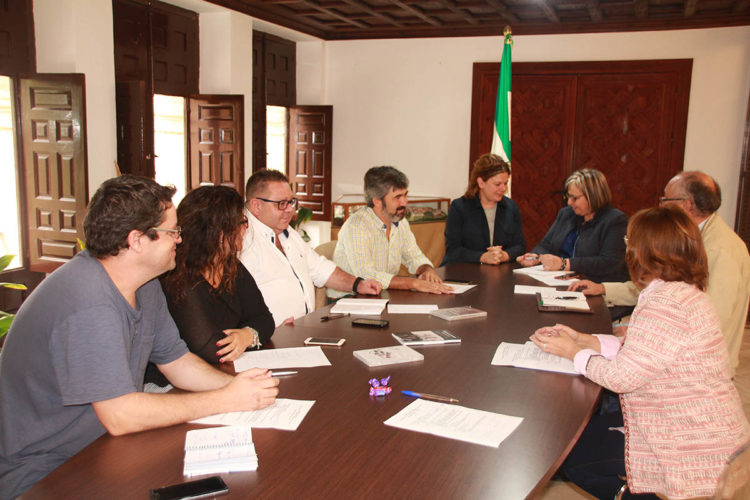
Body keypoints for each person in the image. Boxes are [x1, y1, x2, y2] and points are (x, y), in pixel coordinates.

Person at [0, 176, 279, 499]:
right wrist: (225, 399)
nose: (180, 240)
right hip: (45, 472)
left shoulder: (145, 285)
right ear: (136, 240)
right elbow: (120, 416)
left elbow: (177, 362)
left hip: (103, 447)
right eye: (172, 232)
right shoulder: (86, 301)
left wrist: (238, 387)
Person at [530, 205, 750, 499]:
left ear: (647, 252)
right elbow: (647, 353)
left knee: (566, 452)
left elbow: (622, 377)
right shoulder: (683, 291)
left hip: (688, 439)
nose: (627, 249)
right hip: (706, 426)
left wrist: (574, 353)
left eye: (629, 242)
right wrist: (586, 340)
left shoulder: (664, 303)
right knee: (578, 440)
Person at [569, 171, 750, 374]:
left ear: (686, 204)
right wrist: (602, 288)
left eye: (665, 199)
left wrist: (646, 335)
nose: (661, 205)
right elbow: (659, 287)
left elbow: (713, 320)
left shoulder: (721, 249)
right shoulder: (688, 236)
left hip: (698, 370)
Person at [240, 170, 382, 326]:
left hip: (302, 331)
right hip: (268, 342)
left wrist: (358, 284)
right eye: (281, 204)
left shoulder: (287, 232)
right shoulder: (241, 241)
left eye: (291, 202)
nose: (290, 210)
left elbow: (320, 269)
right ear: (256, 206)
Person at [160, 186, 274, 364]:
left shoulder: (231, 266)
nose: (245, 228)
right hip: (175, 383)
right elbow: (211, 349)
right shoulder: (178, 277)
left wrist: (247, 335)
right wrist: (246, 337)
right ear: (219, 233)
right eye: (241, 222)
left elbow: (265, 319)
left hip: (224, 369)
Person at [333, 166, 454, 294]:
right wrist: (412, 283)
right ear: (377, 202)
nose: (405, 202)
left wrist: (426, 269)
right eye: (397, 197)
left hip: (381, 295)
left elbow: (414, 257)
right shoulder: (356, 226)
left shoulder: (401, 223)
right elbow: (366, 275)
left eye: (405, 195)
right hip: (348, 299)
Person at [516, 168, 628, 283]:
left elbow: (609, 262)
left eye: (575, 198)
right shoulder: (567, 213)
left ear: (593, 196)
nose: (569, 202)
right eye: (568, 196)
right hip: (559, 281)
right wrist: (536, 257)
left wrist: (565, 264)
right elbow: (546, 245)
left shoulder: (615, 220)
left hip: (595, 285)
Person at [441, 153, 525, 266]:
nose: (504, 188)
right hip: (464, 272)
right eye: (497, 184)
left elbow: (520, 246)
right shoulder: (459, 207)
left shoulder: (510, 207)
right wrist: (483, 257)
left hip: (500, 273)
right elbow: (453, 250)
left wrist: (504, 255)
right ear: (481, 183)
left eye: (505, 183)